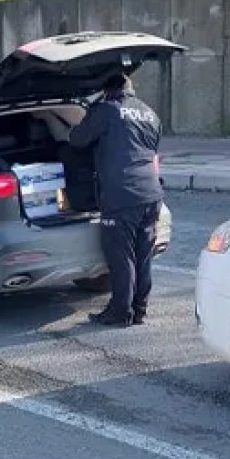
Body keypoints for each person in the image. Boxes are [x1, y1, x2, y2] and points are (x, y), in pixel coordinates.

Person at [69, 73, 163, 327]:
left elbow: (78, 139)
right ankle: (139, 310)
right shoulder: (150, 113)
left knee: (122, 258)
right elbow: (152, 151)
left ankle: (120, 313)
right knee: (143, 255)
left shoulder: (107, 110)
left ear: (107, 90)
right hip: (151, 194)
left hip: (122, 195)